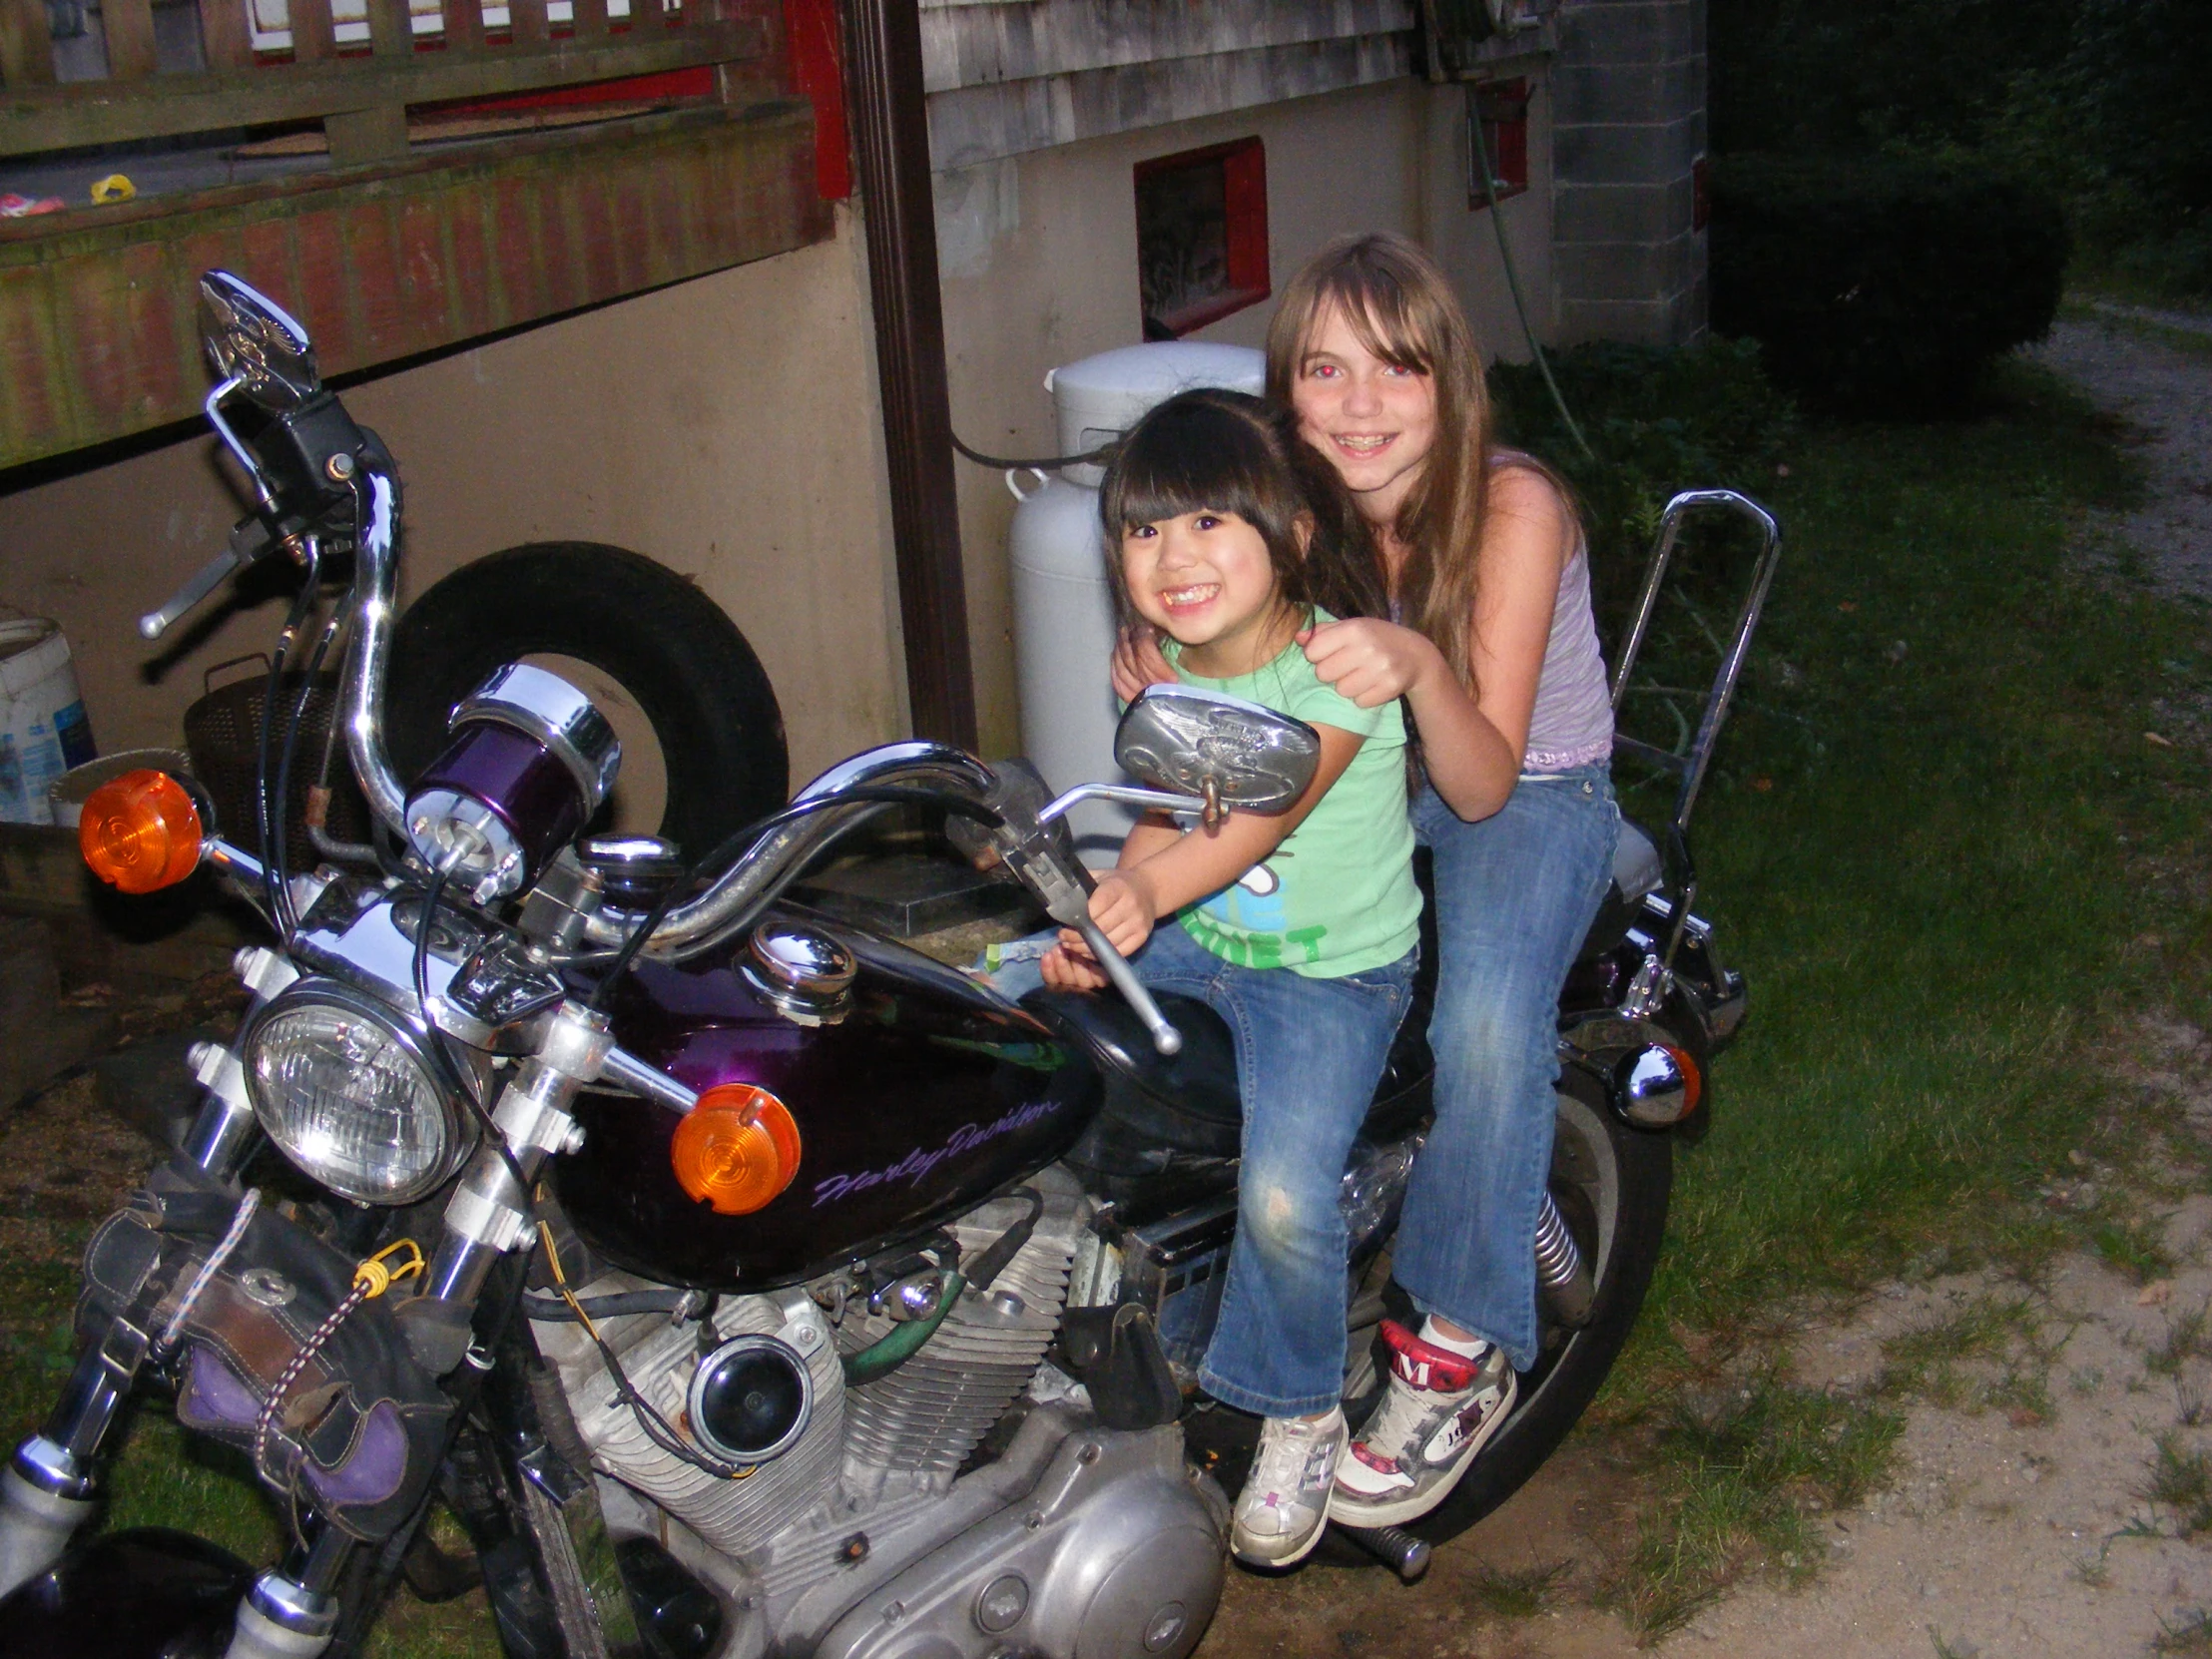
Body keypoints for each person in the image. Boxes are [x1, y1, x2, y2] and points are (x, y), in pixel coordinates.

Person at [1115, 233, 1620, 1528]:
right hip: (1366, 753)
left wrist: (1413, 662)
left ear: (1451, 384)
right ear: (1285, 394)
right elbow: (1227, 637)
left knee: (1486, 1025)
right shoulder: (1294, 503)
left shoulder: (1513, 506)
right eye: (1324, 371)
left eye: (1396, 370)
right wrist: (1172, 666)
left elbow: (1481, 781)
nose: (1357, 406)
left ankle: (1458, 1342)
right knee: (1206, 930)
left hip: (1517, 776)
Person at [1041, 387, 1420, 1567]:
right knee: (1040, 1033)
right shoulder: (1157, 668)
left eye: (1210, 523)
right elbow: (1166, 812)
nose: (1172, 556)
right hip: (1212, 935)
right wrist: (1112, 925)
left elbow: (1247, 825)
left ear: (1292, 532)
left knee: (1286, 1195)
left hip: (1329, 974)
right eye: (1145, 530)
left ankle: (1300, 1406)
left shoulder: (1334, 682)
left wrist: (1148, 896)